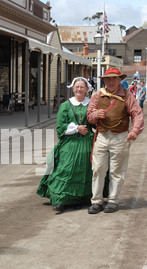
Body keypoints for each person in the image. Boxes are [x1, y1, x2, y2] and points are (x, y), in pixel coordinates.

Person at [86, 68, 144, 214]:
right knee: (98, 169)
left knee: (117, 170)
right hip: (102, 136)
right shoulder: (97, 95)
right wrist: (96, 114)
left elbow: (137, 113)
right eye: (108, 79)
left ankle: (113, 200)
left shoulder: (127, 95)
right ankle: (97, 201)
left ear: (119, 80)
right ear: (104, 80)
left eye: (114, 78)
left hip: (120, 137)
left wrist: (135, 131)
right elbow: (89, 116)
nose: (111, 81)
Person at [37, 77, 95, 214]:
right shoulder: (65, 105)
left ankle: (81, 199)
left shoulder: (91, 104)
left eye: (82, 87)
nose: (79, 89)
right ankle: (61, 200)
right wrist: (76, 129)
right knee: (65, 169)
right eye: (77, 87)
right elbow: (60, 127)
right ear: (73, 89)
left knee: (86, 171)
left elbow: (94, 123)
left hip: (87, 142)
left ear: (87, 89)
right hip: (70, 142)